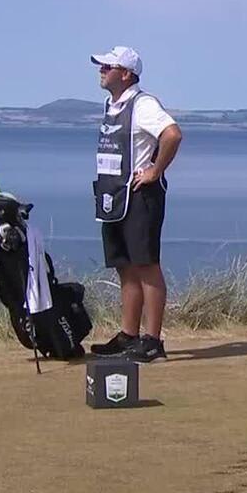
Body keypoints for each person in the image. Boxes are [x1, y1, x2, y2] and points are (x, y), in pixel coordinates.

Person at [87, 46, 183, 363]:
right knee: (124, 267)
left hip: (140, 195)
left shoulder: (144, 105)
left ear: (126, 73)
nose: (101, 70)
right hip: (112, 196)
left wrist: (156, 170)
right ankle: (129, 335)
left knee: (146, 265)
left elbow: (172, 134)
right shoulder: (112, 104)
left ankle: (153, 341)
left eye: (108, 66)